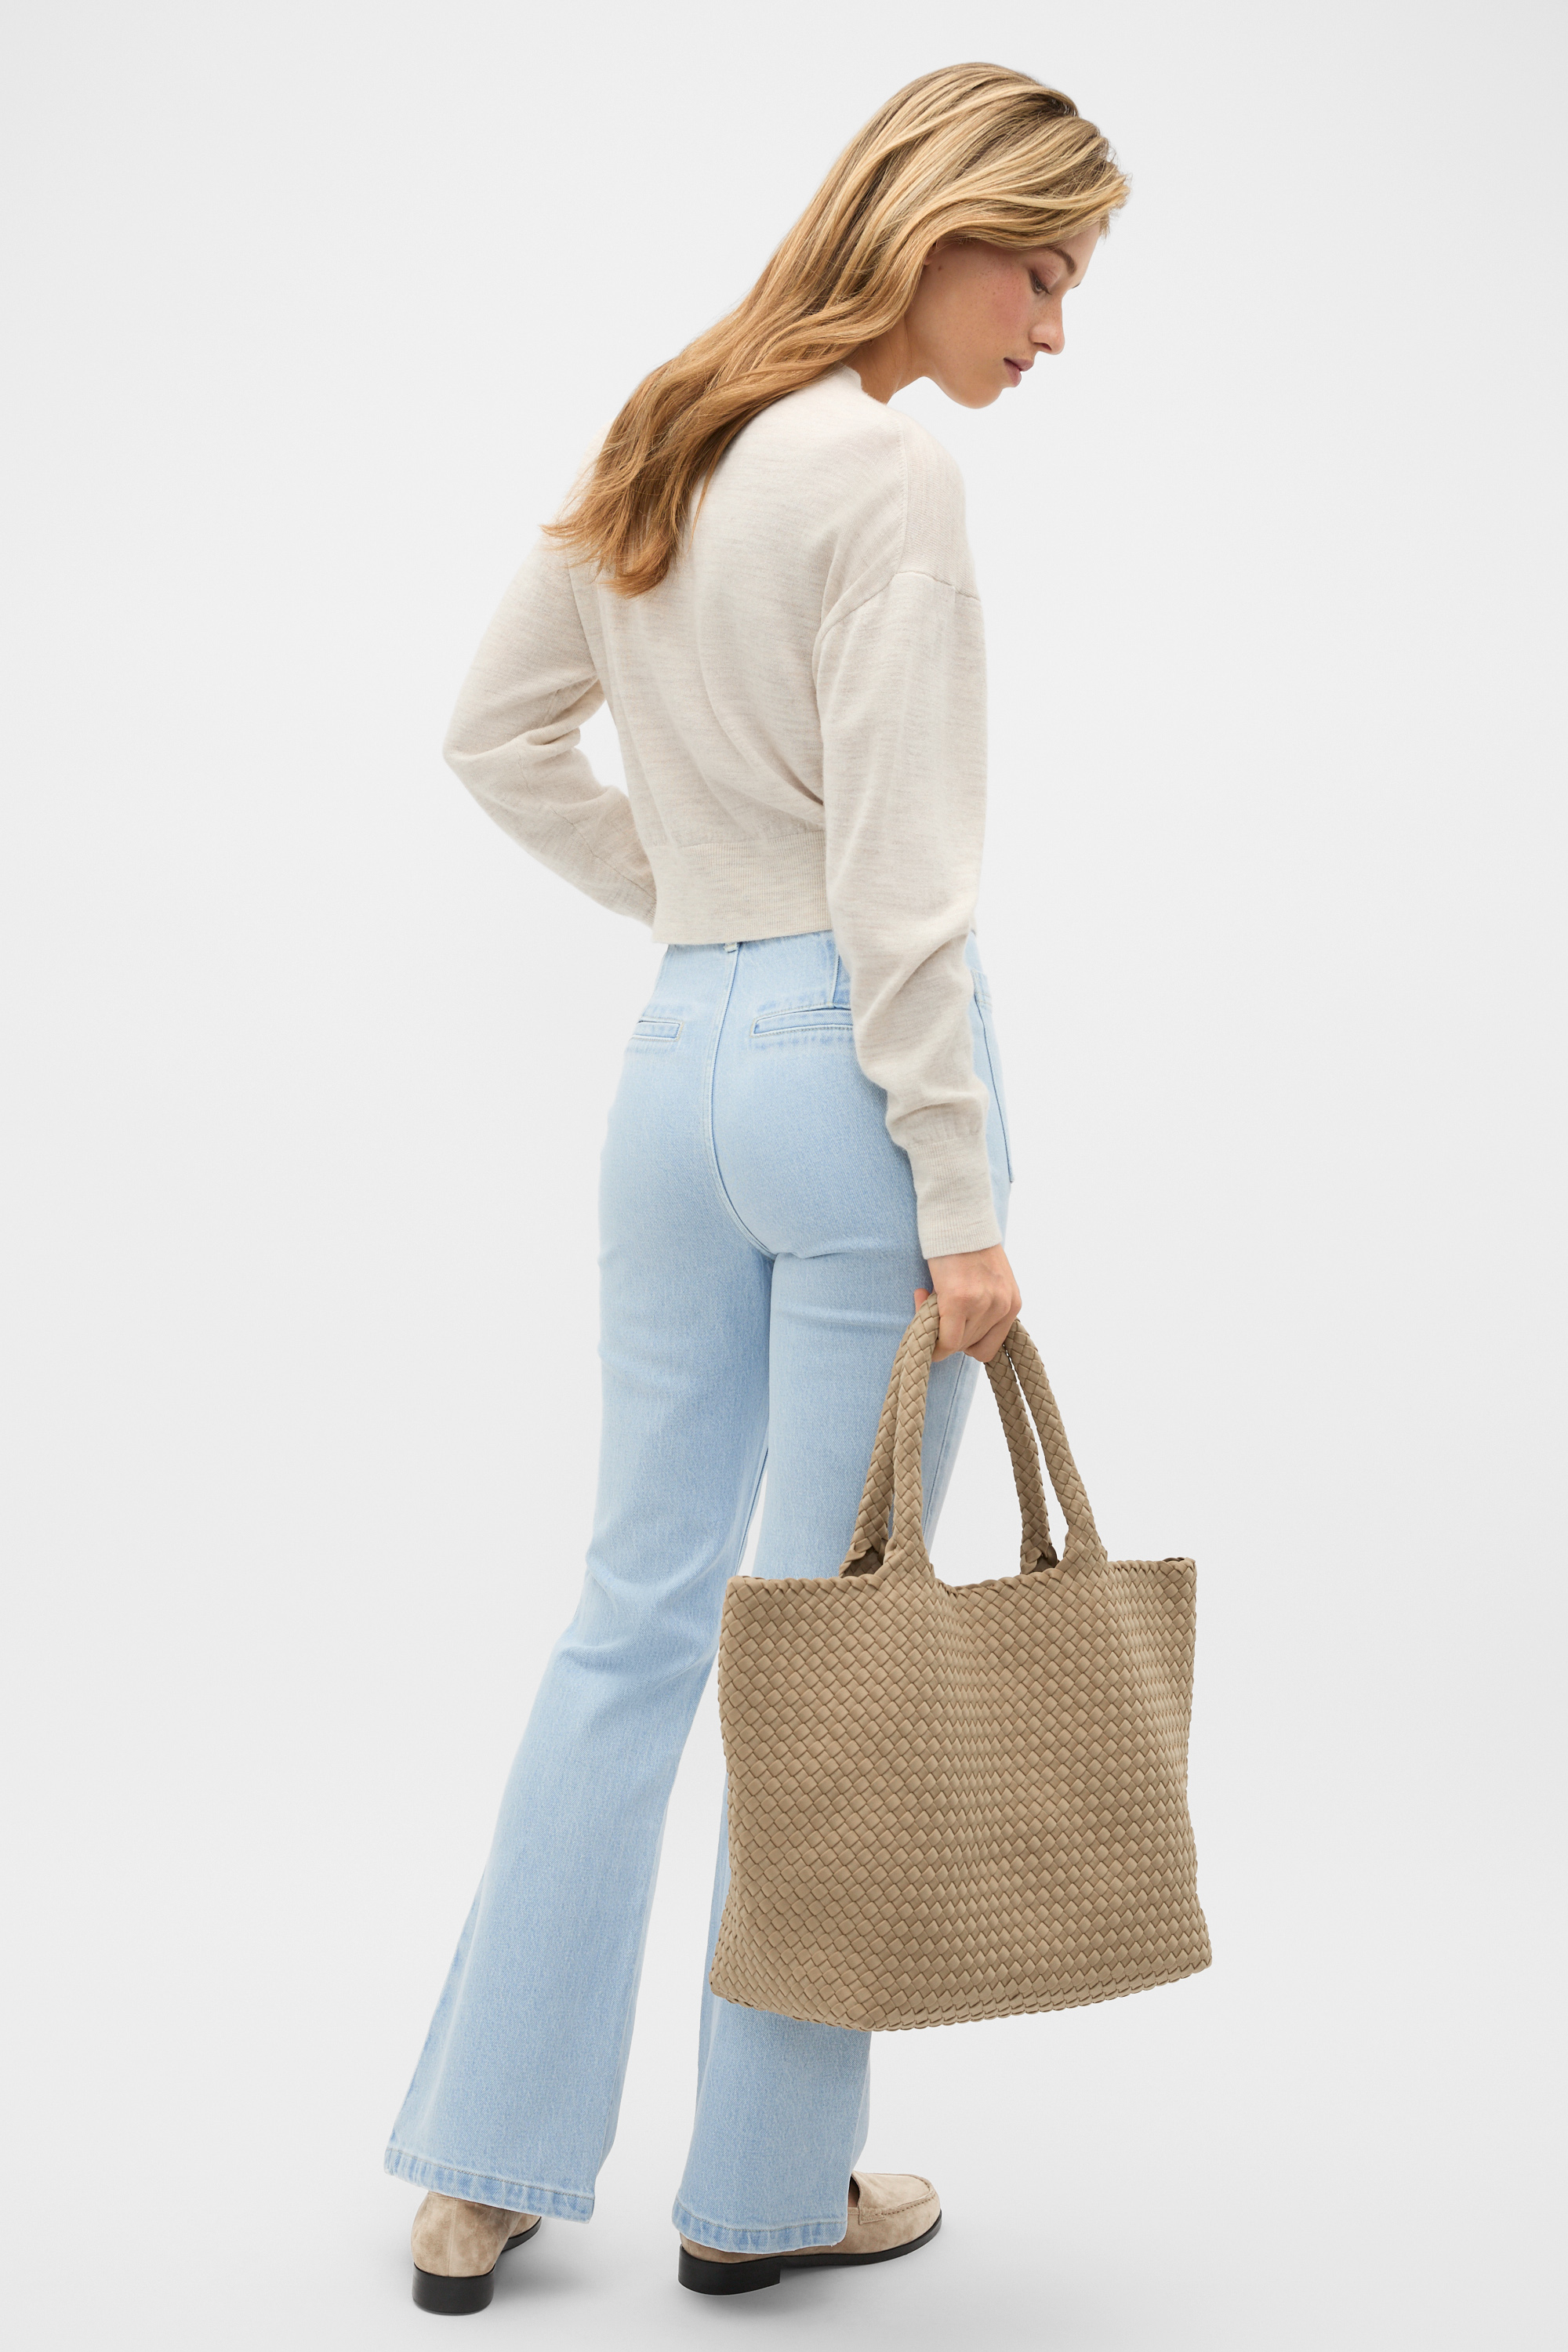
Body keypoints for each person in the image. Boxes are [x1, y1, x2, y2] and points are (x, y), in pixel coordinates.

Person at [385, 60, 1127, 2312]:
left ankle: (481, 2172)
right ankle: (769, 2192)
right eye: (1041, 270)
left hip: (673, 1069)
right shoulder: (887, 470)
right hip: (850, 1090)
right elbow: (904, 888)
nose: (1055, 328)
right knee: (831, 1652)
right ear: (934, 224)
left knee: (634, 1612)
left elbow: (492, 732)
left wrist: (694, 900)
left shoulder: (676, 427)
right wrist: (963, 1197)